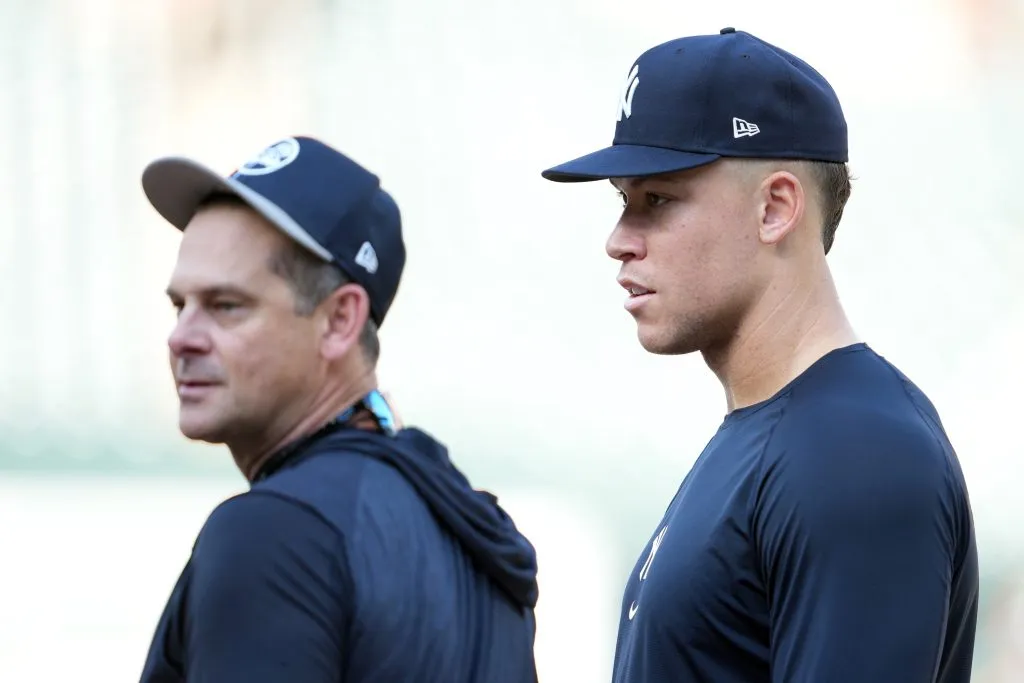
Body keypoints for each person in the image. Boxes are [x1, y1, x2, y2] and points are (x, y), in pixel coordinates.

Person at [541, 27, 979, 683]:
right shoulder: (781, 432)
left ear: (774, 207)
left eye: (656, 199)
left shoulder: (856, 452)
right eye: (622, 200)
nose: (619, 239)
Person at [138, 136, 540, 682]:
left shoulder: (274, 531)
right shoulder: (468, 531)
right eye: (179, 305)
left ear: (339, 321)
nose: (181, 338)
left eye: (226, 306)